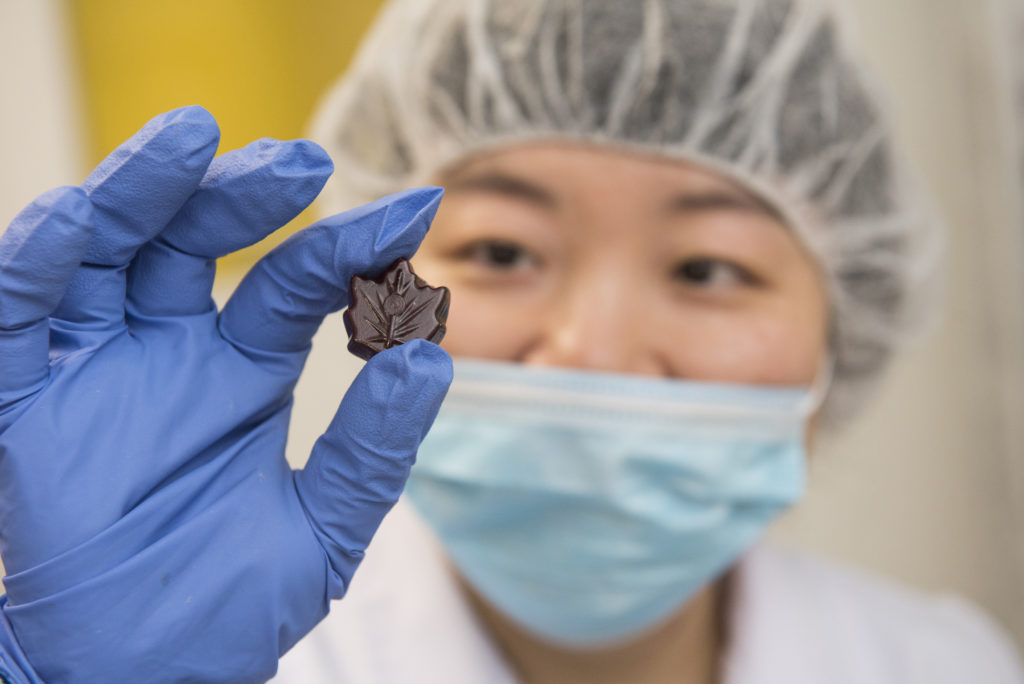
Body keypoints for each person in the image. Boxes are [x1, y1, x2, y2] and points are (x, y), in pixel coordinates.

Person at [0, 0, 1020, 683]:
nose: (591, 347)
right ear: (378, 272)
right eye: (500, 247)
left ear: (843, 328)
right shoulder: (240, 660)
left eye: (708, 268)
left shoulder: (941, 665)